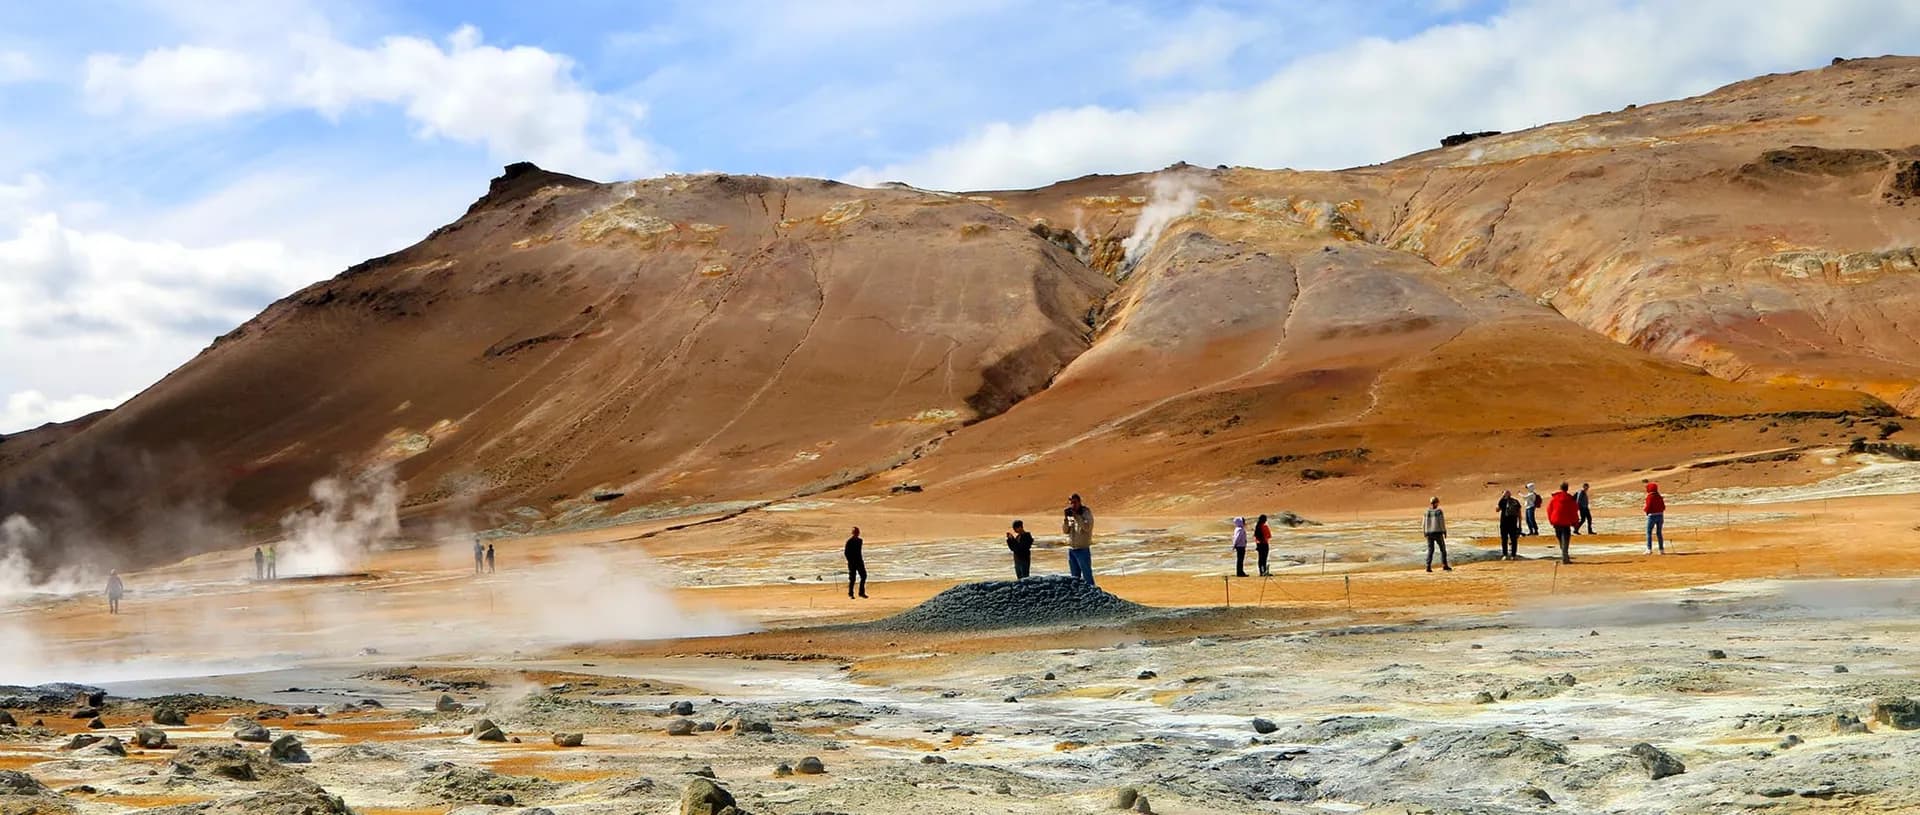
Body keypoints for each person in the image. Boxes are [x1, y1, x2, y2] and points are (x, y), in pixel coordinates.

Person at [1062, 493, 1095, 586]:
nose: (1073, 505)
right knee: (1075, 578)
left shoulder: (1086, 512)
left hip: (1083, 549)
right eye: (1071, 503)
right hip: (1072, 549)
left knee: (1087, 576)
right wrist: (1065, 520)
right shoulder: (1071, 515)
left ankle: (1092, 594)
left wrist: (1077, 516)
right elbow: (1065, 531)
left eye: (1075, 502)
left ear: (1080, 502)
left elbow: (1087, 527)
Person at [1546, 481, 1579, 564]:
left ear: (1560, 488)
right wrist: (1575, 522)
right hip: (1566, 522)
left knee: (1560, 538)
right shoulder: (1570, 499)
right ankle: (1565, 556)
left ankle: (1564, 554)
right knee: (1565, 539)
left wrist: (1551, 520)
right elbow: (1574, 511)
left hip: (1556, 521)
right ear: (1567, 489)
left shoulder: (1554, 498)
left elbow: (1549, 510)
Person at [1423, 497, 1451, 572]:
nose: (1438, 504)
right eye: (1437, 503)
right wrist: (1444, 531)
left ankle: (1428, 566)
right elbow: (1441, 522)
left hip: (1429, 533)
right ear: (1435, 503)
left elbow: (1423, 523)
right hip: (1438, 532)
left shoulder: (1426, 512)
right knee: (1443, 549)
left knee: (1430, 550)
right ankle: (1444, 565)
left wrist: (1424, 532)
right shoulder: (1439, 511)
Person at [1496, 490, 1523, 560]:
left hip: (1505, 523)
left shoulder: (1502, 501)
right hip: (1512, 523)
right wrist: (1520, 524)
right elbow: (1519, 514)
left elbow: (1497, 509)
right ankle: (1513, 555)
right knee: (1513, 540)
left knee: (1505, 539)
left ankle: (1505, 554)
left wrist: (1501, 498)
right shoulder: (1515, 501)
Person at [1644, 482, 1667, 554]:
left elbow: (1648, 506)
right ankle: (1661, 549)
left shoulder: (1649, 497)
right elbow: (1663, 507)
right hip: (1660, 516)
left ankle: (1649, 549)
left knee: (1649, 532)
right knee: (1659, 533)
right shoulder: (1659, 496)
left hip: (1652, 516)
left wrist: (1646, 511)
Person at [844, 526, 868, 598]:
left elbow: (859, 552)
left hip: (859, 561)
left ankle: (861, 592)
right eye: (855, 532)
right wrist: (850, 561)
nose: (856, 533)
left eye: (857, 532)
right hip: (852, 562)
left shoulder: (860, 541)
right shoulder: (849, 541)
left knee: (864, 576)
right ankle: (850, 593)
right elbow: (846, 553)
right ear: (853, 533)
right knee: (852, 578)